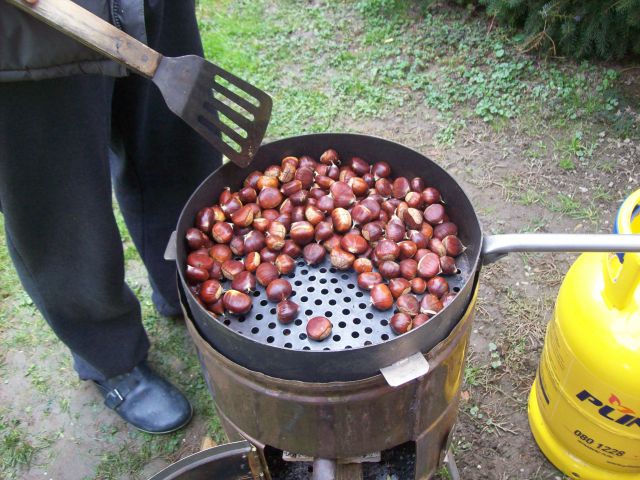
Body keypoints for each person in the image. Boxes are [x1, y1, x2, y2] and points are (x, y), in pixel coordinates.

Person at [0, 0, 221, 433]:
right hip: (20, 33)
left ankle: (189, 287)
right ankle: (111, 355)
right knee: (60, 204)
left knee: (176, 149)